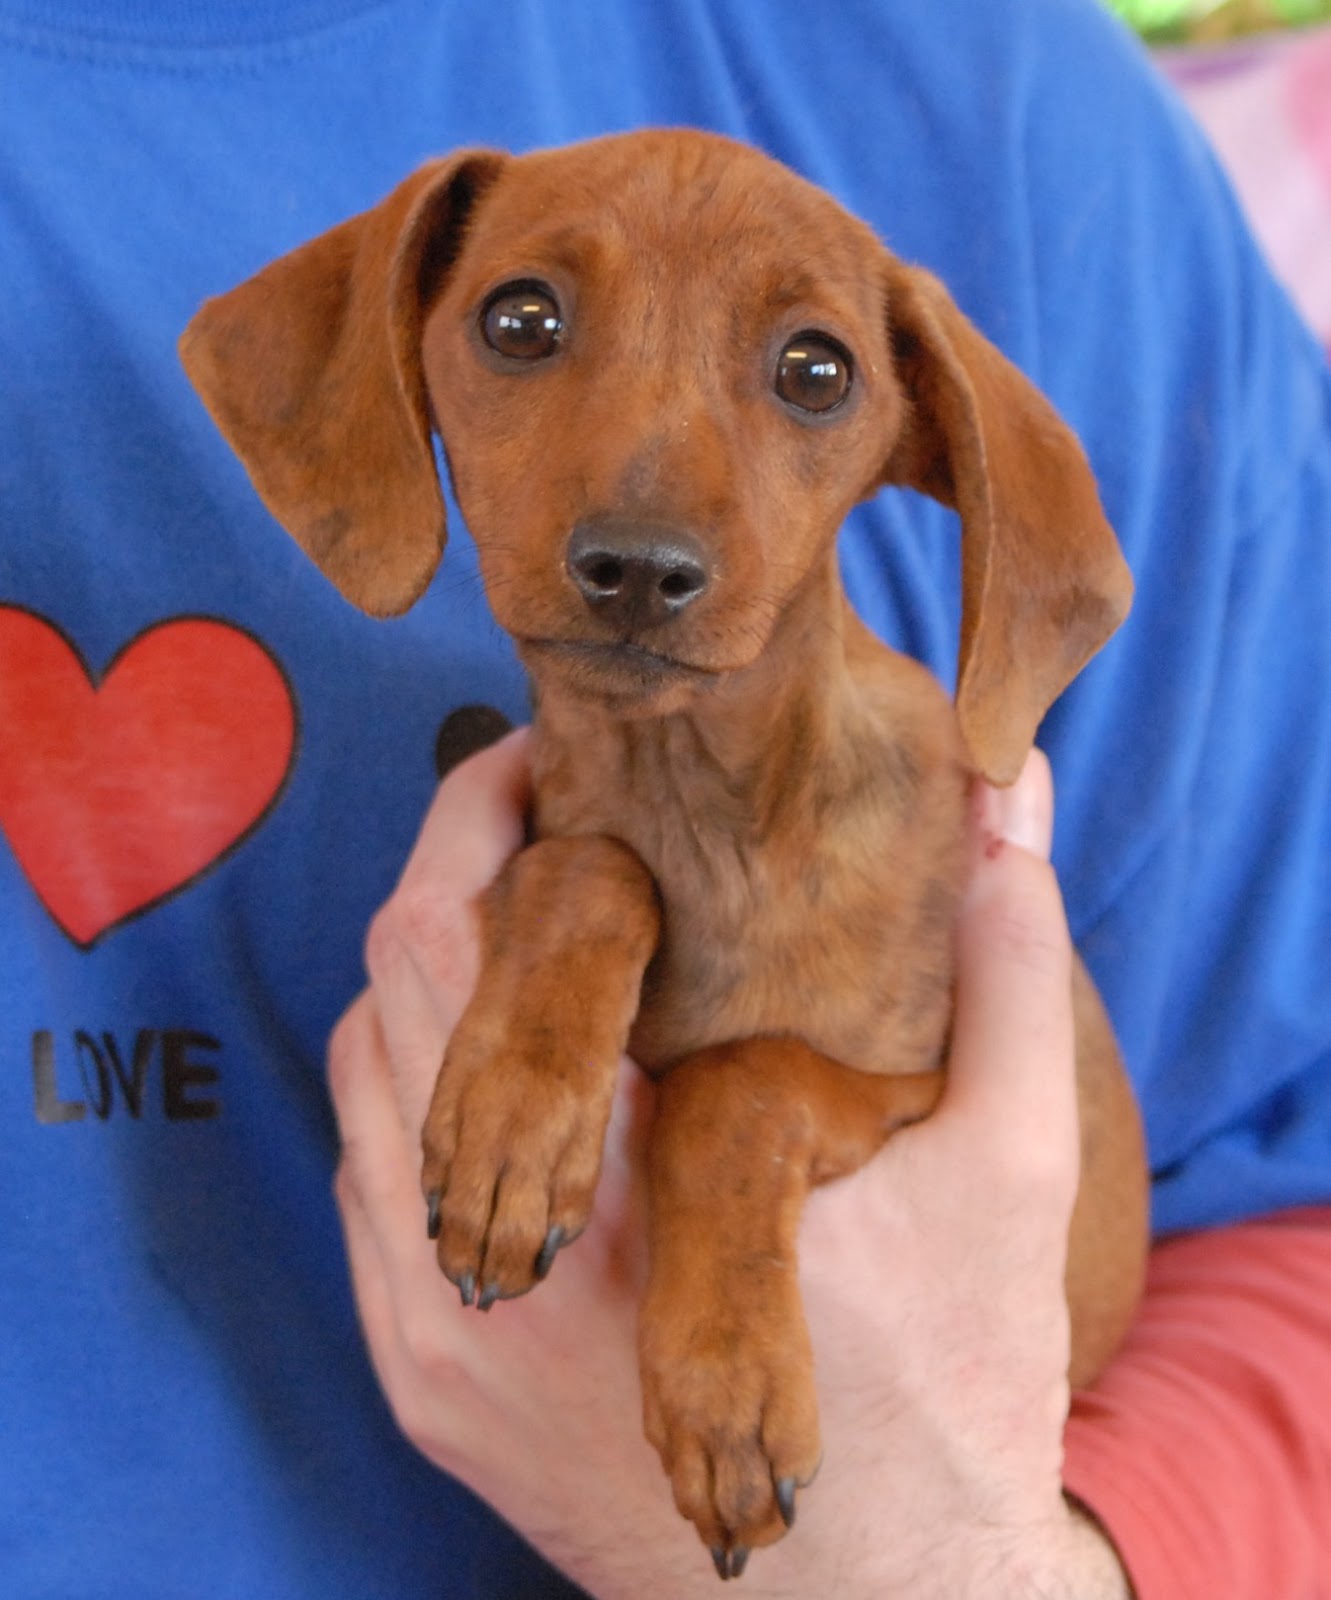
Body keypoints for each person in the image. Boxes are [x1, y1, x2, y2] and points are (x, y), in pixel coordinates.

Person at [1, 1, 1327, 1596]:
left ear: (928, 452)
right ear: (397, 352)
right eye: (524, 330)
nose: (642, 526)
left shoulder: (1013, 107)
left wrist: (931, 1562)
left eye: (812, 375)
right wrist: (576, 913)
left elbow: (1284, 1187)